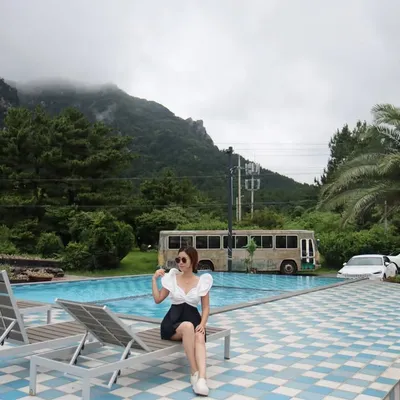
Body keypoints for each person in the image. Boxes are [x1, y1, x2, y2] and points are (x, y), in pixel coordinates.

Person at [152, 246, 213, 396]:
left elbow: (206, 308)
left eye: (184, 259)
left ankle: (202, 379)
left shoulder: (201, 282)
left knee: (199, 335)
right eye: (178, 259)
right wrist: (154, 280)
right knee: (187, 326)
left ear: (193, 261)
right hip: (172, 324)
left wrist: (202, 324)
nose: (180, 262)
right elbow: (158, 299)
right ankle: (194, 371)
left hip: (194, 320)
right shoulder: (172, 278)